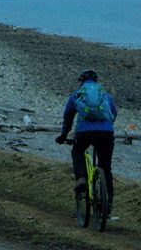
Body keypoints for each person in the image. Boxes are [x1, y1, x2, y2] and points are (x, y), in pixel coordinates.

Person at [55, 69, 117, 212]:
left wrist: (63, 135)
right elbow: (113, 114)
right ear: (96, 81)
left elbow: (68, 117)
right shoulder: (105, 94)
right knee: (106, 168)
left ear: (81, 81)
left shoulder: (77, 94)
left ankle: (82, 178)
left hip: (84, 132)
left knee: (77, 152)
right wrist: (106, 128)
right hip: (105, 132)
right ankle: (107, 206)